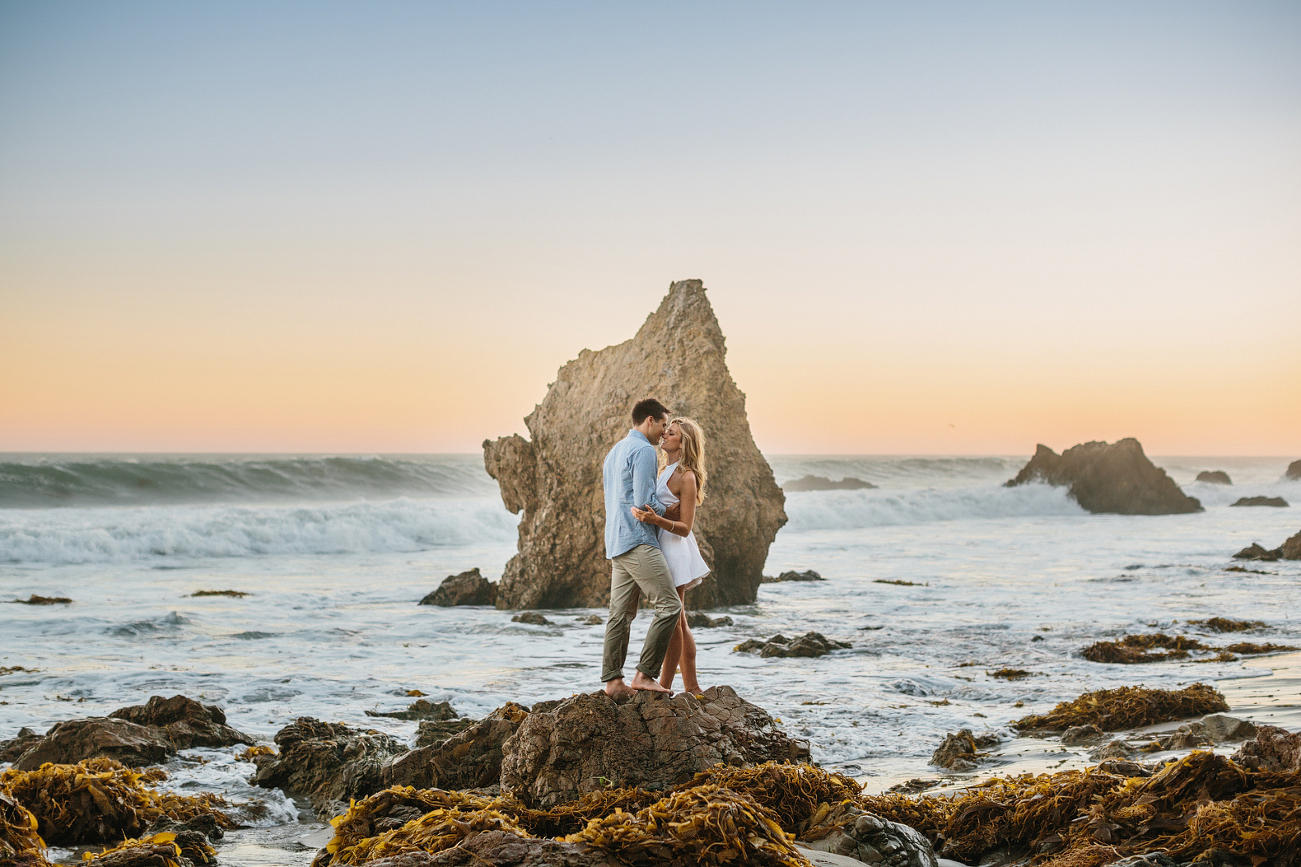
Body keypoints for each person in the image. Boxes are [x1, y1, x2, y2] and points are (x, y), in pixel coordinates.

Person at [600, 398, 682, 697]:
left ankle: (612, 682)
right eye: (662, 425)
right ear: (649, 421)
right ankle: (645, 675)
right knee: (670, 606)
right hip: (637, 539)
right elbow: (643, 502)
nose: (663, 432)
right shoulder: (644, 450)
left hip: (616, 541)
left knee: (619, 614)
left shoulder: (615, 451)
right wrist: (668, 510)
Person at [632, 418, 710, 694]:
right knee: (680, 618)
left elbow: (686, 527)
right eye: (666, 431)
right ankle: (691, 686)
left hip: (675, 547)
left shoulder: (686, 476)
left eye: (672, 433)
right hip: (663, 543)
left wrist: (656, 520)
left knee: (674, 617)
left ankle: (666, 684)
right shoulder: (666, 469)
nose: (664, 435)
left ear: (683, 442)